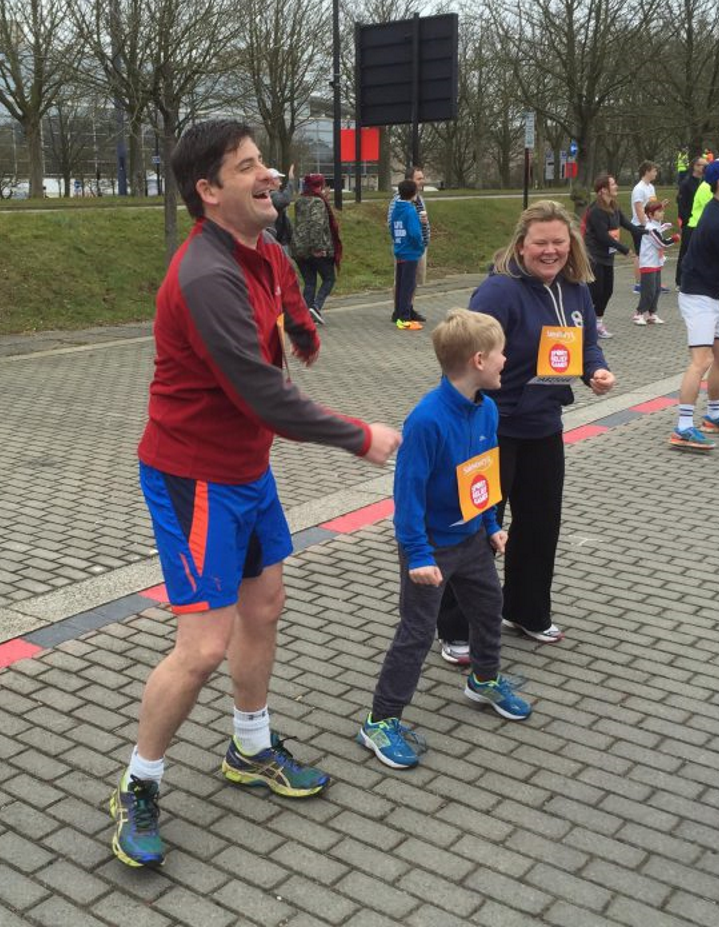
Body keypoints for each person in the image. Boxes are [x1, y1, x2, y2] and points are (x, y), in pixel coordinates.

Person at [110, 119, 401, 868]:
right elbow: (261, 396)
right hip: (195, 476)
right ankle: (138, 783)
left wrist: (303, 326)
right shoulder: (204, 276)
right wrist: (357, 436)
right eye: (248, 167)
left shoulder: (264, 247)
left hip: (248, 471)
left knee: (264, 607)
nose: (268, 174)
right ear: (209, 192)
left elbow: (286, 293)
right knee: (203, 646)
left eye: (263, 161)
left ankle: (250, 747)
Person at [357, 309, 532, 770]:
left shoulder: (487, 409)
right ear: (478, 359)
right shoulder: (427, 421)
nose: (505, 360)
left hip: (472, 539)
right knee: (416, 633)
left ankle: (484, 680)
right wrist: (416, 553)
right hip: (430, 549)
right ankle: (380, 720)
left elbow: (484, 475)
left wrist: (492, 525)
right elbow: (407, 495)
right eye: (500, 354)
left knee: (488, 607)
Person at [436, 200, 615, 649]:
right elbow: (464, 360)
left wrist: (595, 370)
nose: (550, 251)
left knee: (539, 524)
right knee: (477, 527)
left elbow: (585, 342)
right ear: (522, 245)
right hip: (493, 428)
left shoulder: (575, 288)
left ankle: (526, 610)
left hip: (544, 423)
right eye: (541, 243)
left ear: (570, 244)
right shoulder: (499, 292)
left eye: (559, 242)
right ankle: (455, 628)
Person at [670, 158, 719, 451]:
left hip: (714, 293)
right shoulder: (714, 220)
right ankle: (683, 427)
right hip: (699, 296)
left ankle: (713, 414)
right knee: (701, 360)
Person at [583, 173, 639, 338]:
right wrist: (625, 250)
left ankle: (598, 323)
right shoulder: (596, 211)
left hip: (608, 257)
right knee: (595, 292)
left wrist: (645, 231)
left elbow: (627, 224)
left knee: (608, 291)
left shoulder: (614, 206)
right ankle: (585, 323)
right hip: (594, 256)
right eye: (613, 184)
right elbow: (603, 237)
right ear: (603, 190)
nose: (616, 187)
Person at [291, 172, 341, 325]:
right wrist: (318, 247)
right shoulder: (318, 202)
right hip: (315, 248)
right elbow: (316, 225)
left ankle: (305, 314)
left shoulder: (300, 202)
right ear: (319, 186)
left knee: (310, 281)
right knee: (329, 278)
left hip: (299, 248)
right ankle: (316, 306)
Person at [388, 166, 429, 321]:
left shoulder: (402, 207)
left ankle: (404, 310)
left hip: (402, 248)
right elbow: (413, 231)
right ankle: (403, 314)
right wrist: (419, 245)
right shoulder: (408, 209)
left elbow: (394, 225)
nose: (422, 181)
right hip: (411, 250)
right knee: (407, 283)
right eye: (419, 179)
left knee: (408, 282)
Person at [633, 198, 678, 326]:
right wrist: (673, 239)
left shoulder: (655, 226)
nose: (662, 213)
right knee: (649, 291)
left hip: (656, 263)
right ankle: (639, 313)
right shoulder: (650, 228)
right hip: (648, 264)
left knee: (657, 289)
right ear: (650, 215)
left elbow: (658, 231)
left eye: (662, 210)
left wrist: (665, 226)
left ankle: (652, 314)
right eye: (658, 211)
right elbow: (661, 243)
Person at [676, 155, 707, 288]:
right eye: (701, 165)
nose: (704, 167)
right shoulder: (687, 183)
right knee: (686, 252)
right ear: (695, 167)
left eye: (705, 165)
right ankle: (680, 280)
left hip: (701, 224)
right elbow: (682, 205)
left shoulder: (704, 182)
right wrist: (685, 223)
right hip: (690, 223)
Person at [631, 161, 659, 293]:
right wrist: (646, 226)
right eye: (654, 170)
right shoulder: (639, 189)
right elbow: (639, 210)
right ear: (647, 171)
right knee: (639, 254)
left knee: (649, 254)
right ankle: (638, 284)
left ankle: (650, 282)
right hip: (639, 226)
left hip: (650, 225)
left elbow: (651, 207)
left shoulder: (651, 187)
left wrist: (661, 207)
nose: (656, 173)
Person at [268, 164, 295, 254]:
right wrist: (291, 180)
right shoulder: (273, 194)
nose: (280, 180)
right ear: (272, 181)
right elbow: (285, 200)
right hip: (279, 241)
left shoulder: (270, 194)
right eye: (278, 178)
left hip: (278, 239)